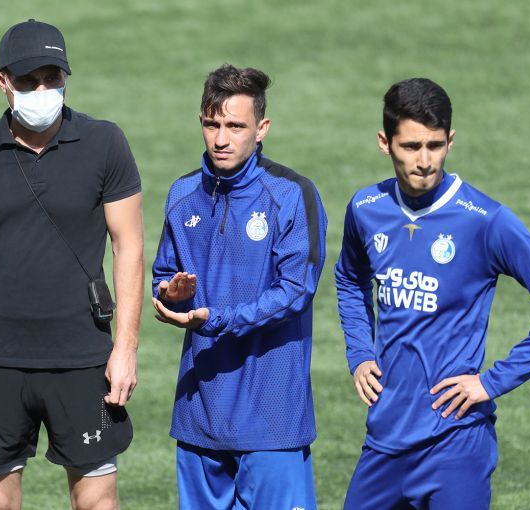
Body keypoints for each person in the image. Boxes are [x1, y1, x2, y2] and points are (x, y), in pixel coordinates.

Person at [335, 77, 530, 509]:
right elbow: (349, 278)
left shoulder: (485, 220)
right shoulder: (365, 209)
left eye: (435, 146)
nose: (424, 161)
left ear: (450, 141)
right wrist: (359, 352)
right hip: (385, 441)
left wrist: (492, 382)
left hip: (456, 443)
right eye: (411, 146)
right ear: (384, 142)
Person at [0, 19, 143, 510]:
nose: (43, 91)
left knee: (97, 503)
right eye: (28, 81)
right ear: (2, 82)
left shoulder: (105, 143)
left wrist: (126, 348)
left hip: (83, 358)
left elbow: (129, 246)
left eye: (53, 78)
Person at [151, 64, 327, 510]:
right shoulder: (182, 195)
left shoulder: (292, 194)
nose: (221, 139)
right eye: (212, 124)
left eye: (235, 126)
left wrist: (217, 319)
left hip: (272, 421)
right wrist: (171, 295)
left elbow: (296, 290)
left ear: (261, 129)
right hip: (199, 417)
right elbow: (163, 274)